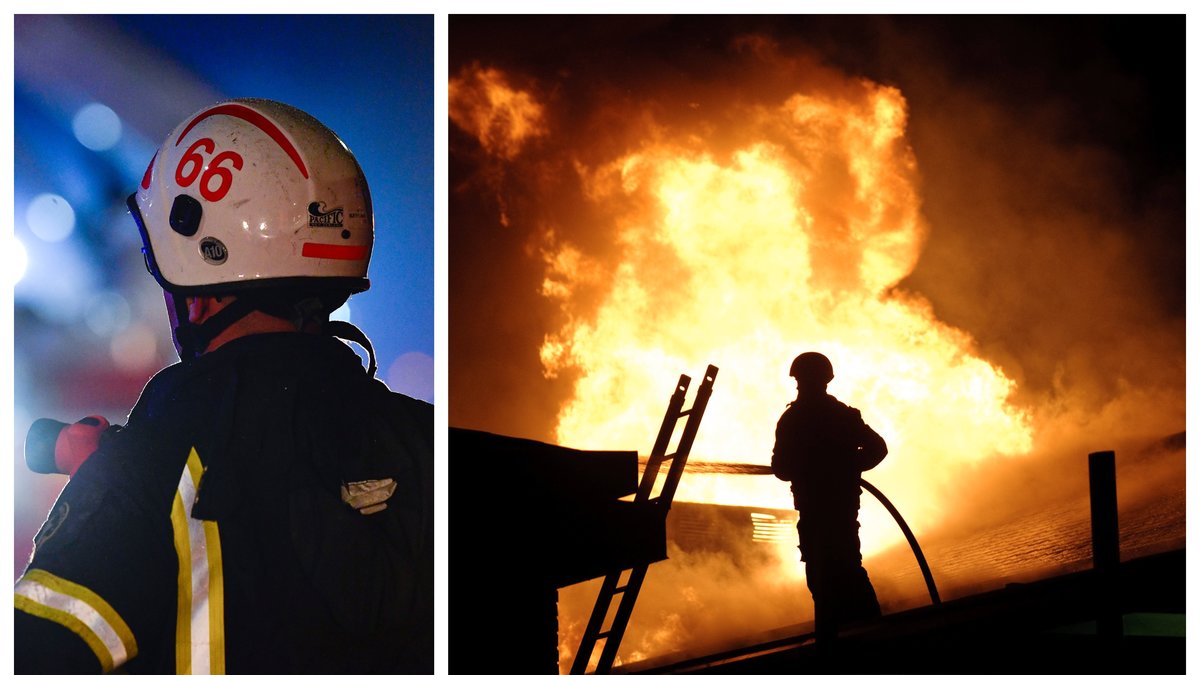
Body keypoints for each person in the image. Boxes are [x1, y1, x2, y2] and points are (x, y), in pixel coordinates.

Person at [14, 99, 433, 674]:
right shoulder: (425, 444)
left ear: (200, 291)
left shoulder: (151, 464)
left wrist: (106, 489)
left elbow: (35, 651)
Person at [770, 351, 886, 643]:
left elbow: (780, 468)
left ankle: (838, 641)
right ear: (828, 379)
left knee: (823, 579)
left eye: (801, 380)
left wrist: (816, 467)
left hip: (816, 512)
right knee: (848, 570)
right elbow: (877, 448)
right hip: (840, 511)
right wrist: (849, 467)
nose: (800, 385)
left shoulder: (792, 419)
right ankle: (872, 634)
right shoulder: (842, 416)